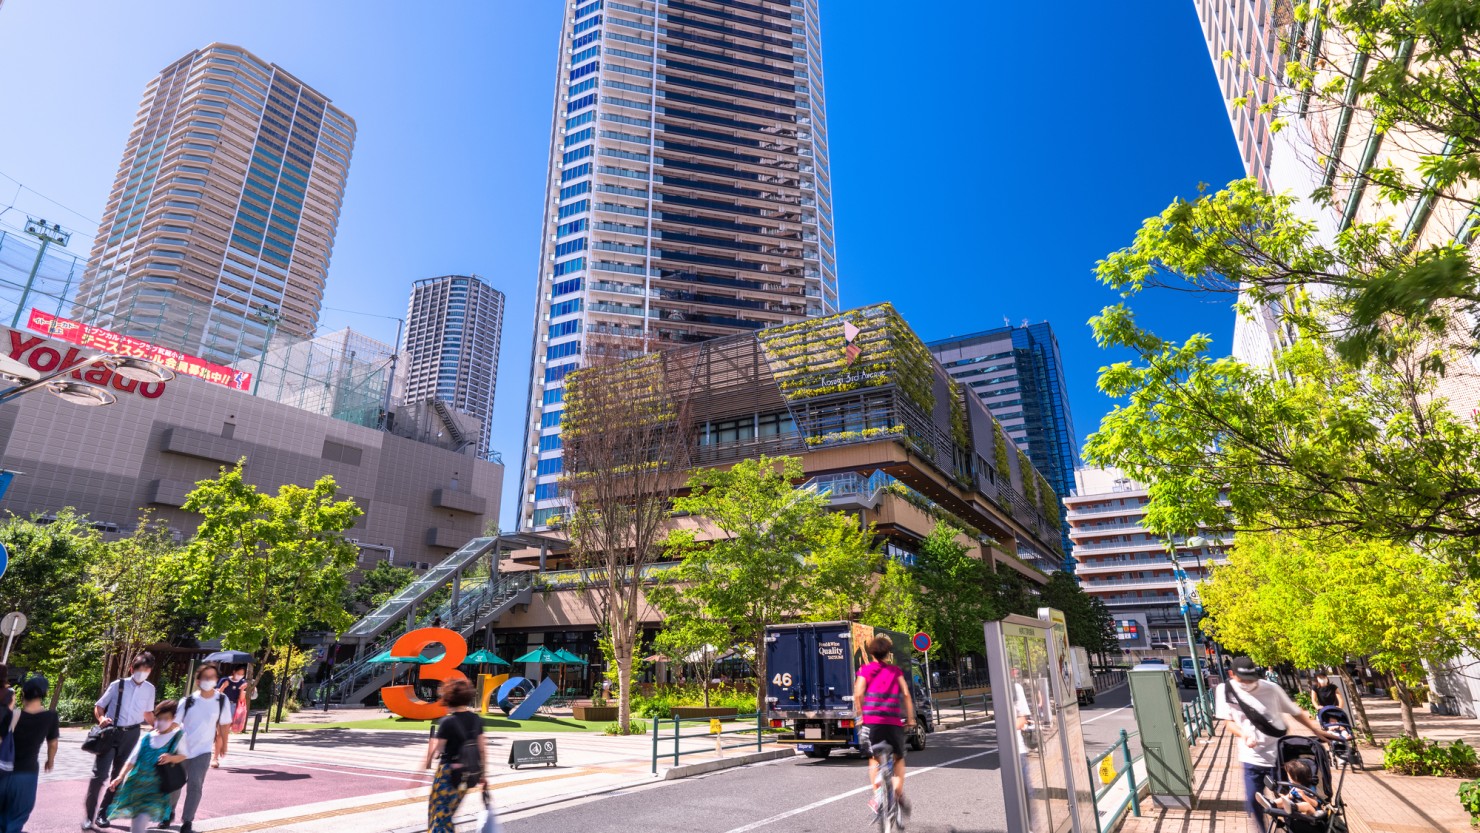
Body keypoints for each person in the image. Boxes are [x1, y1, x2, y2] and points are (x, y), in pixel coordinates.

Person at [1216, 656, 1334, 832]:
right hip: (1250, 757)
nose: (1248, 683)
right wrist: (1244, 734)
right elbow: (1228, 722)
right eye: (1243, 679)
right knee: (1252, 799)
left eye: (1251, 679)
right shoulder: (1224, 690)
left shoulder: (1271, 688)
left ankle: (1292, 826)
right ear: (1232, 674)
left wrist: (1316, 730)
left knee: (1289, 797)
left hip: (1279, 757)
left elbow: (1295, 712)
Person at [85, 653, 157, 831]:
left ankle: (103, 813)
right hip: (111, 733)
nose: (143, 673)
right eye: (139, 670)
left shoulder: (150, 689)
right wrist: (101, 718)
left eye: (146, 670)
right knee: (99, 776)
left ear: (150, 671)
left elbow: (147, 714)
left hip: (132, 734)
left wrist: (160, 727)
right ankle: (88, 816)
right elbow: (99, 705)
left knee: (118, 776)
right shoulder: (118, 685)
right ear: (132, 669)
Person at [852, 634, 915, 822]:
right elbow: (905, 694)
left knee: (874, 758)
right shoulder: (896, 671)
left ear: (871, 653)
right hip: (893, 722)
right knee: (898, 759)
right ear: (888, 653)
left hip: (872, 722)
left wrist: (861, 716)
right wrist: (910, 718)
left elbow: (858, 694)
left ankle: (878, 797)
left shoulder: (865, 670)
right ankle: (896, 792)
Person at [163, 664, 232, 833]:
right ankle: (167, 813)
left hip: (202, 751)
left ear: (216, 680)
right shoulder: (187, 701)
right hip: (181, 750)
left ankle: (187, 820)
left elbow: (224, 725)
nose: (209, 681)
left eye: (212, 677)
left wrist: (224, 745)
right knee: (175, 784)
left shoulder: (222, 701)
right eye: (205, 677)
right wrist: (159, 731)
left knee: (195, 784)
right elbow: (175, 723)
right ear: (198, 680)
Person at [106, 699, 187, 833]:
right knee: (137, 821)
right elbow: (132, 759)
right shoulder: (147, 737)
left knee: (140, 820)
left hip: (157, 788)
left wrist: (171, 758)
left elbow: (184, 755)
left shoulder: (178, 736)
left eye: (165, 719)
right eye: (159, 718)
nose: (161, 722)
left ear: (173, 718)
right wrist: (119, 777)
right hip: (137, 785)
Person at [422, 679, 486, 833]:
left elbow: (437, 750)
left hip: (447, 774)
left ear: (449, 698)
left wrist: (428, 757)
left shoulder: (447, 722)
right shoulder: (476, 720)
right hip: (467, 775)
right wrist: (483, 775)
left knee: (439, 815)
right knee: (447, 814)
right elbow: (483, 750)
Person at [0, 675, 58, 833]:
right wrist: (50, 761)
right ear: (43, 695)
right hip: (27, 773)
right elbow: (53, 744)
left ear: (23, 693)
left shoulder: (12, 715)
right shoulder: (50, 717)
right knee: (17, 817)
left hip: (3, 772)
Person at [217, 667, 253, 738]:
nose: (240, 675)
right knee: (219, 723)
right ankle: (219, 738)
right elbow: (216, 694)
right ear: (234, 671)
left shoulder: (242, 682)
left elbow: (241, 699)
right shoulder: (225, 680)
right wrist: (223, 687)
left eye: (242, 674)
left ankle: (222, 739)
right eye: (239, 673)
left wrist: (242, 690)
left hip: (232, 705)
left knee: (227, 724)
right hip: (222, 704)